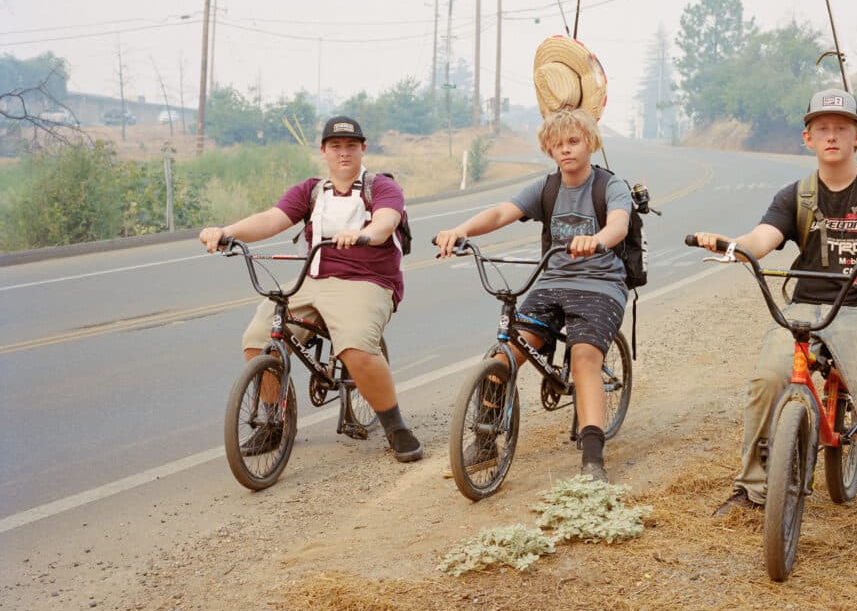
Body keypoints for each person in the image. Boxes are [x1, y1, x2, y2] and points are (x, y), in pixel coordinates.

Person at [693, 89, 857, 590]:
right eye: (821, 127)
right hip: (806, 305)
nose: (831, 134)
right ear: (807, 137)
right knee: (766, 378)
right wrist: (738, 246)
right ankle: (754, 488)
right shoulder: (796, 194)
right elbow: (766, 236)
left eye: (841, 126)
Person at [198, 116, 423, 463]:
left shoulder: (381, 187)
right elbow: (271, 219)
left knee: (356, 348)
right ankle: (274, 422)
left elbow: (385, 223)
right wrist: (225, 232)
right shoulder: (311, 191)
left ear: (363, 148)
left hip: (367, 282)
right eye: (336, 146)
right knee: (259, 339)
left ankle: (395, 426)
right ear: (324, 151)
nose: (343, 153)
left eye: (351, 146)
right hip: (312, 279)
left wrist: (364, 234)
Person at [434, 108, 631, 482]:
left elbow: (619, 225)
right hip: (552, 283)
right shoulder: (547, 188)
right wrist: (459, 231)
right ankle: (486, 441)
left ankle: (592, 458)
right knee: (504, 354)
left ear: (589, 143)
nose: (566, 151)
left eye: (573, 142)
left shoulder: (610, 186)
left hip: (601, 285)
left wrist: (598, 240)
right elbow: (499, 214)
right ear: (549, 151)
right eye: (557, 145)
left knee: (584, 359)